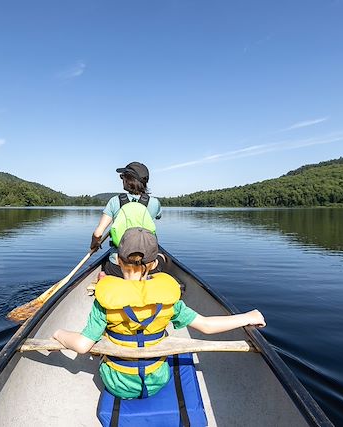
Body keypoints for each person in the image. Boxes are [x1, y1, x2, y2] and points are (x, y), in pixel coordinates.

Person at [54, 227, 266, 400]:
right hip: (157, 381)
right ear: (154, 264)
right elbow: (207, 326)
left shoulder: (105, 301)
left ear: (118, 261)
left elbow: (82, 346)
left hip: (116, 383)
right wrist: (248, 317)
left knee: (98, 340)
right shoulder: (169, 301)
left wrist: (59, 334)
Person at [91, 161, 163, 277]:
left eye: (122, 177)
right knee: (162, 255)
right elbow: (158, 216)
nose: (122, 179)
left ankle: (104, 276)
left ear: (128, 180)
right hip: (147, 267)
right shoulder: (154, 203)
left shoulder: (115, 201)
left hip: (118, 267)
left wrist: (94, 244)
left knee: (109, 263)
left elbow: (98, 233)